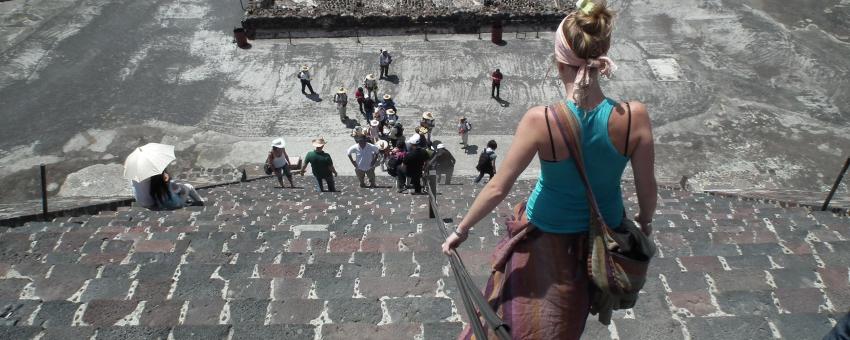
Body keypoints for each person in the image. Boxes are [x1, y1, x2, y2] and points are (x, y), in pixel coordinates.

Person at [442, 2, 657, 339]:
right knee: (573, 310)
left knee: (521, 313)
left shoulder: (541, 119)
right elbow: (647, 187)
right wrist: (645, 221)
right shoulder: (634, 117)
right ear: (603, 55)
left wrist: (462, 230)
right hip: (604, 237)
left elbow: (499, 187)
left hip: (546, 230)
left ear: (559, 62)